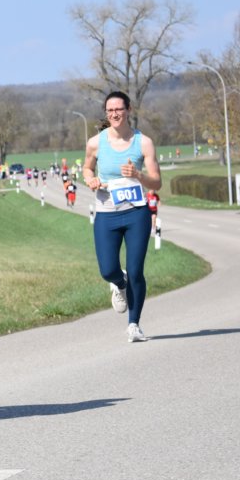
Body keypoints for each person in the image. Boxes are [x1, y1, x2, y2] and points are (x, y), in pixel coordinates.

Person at [82, 91, 162, 343]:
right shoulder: (95, 142)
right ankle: (119, 282)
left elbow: (157, 182)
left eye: (119, 109)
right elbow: (86, 168)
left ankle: (134, 324)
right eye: (110, 110)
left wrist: (138, 175)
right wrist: (90, 180)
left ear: (128, 110)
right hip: (106, 213)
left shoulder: (143, 142)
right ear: (106, 113)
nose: (115, 114)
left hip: (136, 213)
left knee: (136, 270)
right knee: (108, 270)